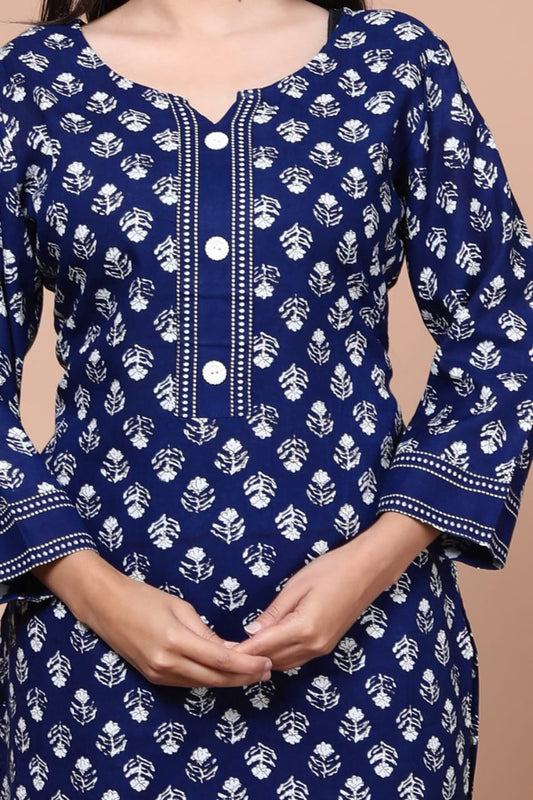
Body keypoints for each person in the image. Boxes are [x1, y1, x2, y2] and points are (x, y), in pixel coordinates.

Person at [0, 0, 531, 796]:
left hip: (372, 658)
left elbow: (506, 325)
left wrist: (371, 564)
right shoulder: (33, 84)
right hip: (91, 668)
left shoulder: (392, 64)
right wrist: (94, 592)